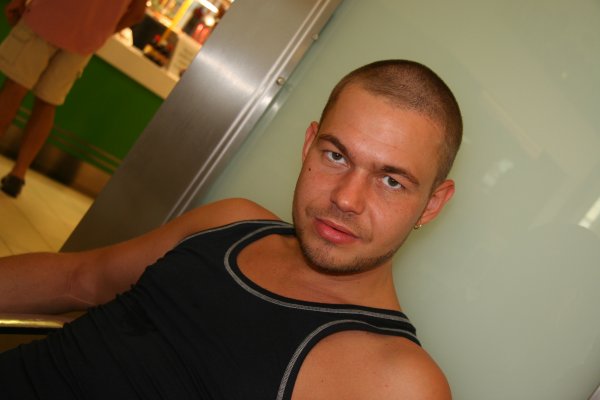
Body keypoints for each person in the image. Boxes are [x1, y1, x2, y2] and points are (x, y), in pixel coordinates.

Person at [0, 59, 462, 399]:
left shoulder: (400, 382)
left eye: (391, 181)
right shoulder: (230, 223)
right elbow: (81, 278)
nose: (346, 198)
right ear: (308, 145)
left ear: (433, 203)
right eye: (336, 155)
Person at [0, 0, 147, 197]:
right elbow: (137, 13)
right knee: (48, 102)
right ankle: (18, 174)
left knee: (14, 90)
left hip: (48, 17)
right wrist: (102, 31)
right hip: (85, 41)